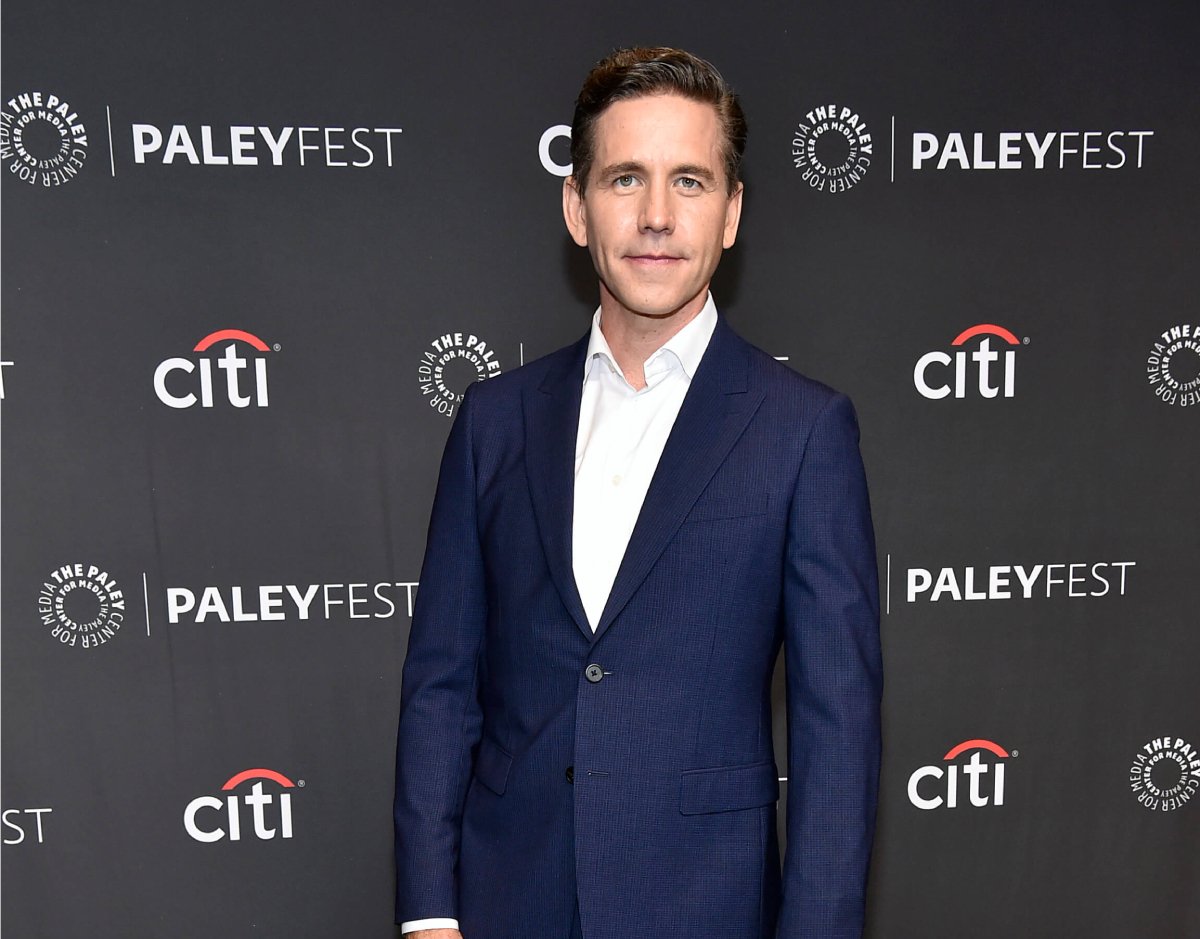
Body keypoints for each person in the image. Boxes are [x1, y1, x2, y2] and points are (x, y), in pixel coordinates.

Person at [394, 47, 882, 939]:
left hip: (705, 905)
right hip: (508, 901)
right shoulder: (494, 421)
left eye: (690, 182)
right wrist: (430, 910)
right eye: (626, 179)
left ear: (732, 213)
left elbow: (836, 722)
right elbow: (441, 684)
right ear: (576, 207)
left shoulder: (802, 430)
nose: (657, 216)